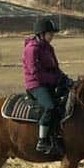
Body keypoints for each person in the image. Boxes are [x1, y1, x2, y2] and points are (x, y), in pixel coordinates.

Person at [22, 17, 71, 154]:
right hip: (36, 85)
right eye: (50, 34)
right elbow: (36, 73)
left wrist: (65, 79)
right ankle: (42, 140)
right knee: (50, 106)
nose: (52, 36)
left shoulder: (49, 48)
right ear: (41, 34)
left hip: (49, 82)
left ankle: (58, 136)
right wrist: (56, 80)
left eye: (52, 34)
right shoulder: (31, 50)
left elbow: (55, 68)